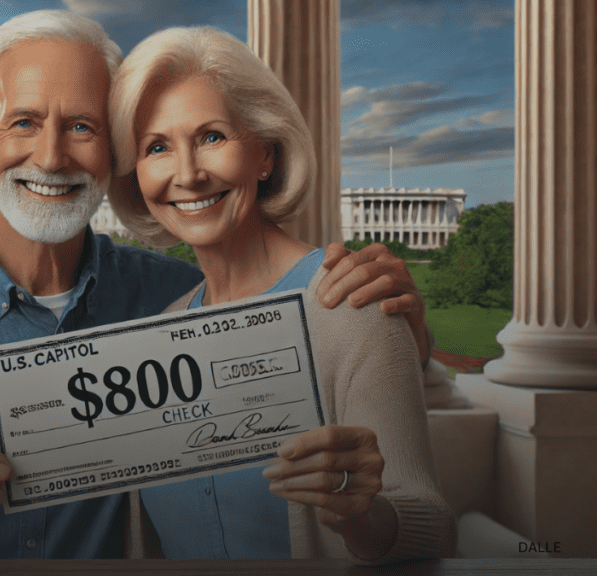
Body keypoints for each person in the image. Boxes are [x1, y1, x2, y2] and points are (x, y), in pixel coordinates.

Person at [0, 11, 435, 567]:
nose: (53, 158)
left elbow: (322, 338)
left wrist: (400, 323)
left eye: (82, 126)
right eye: (24, 121)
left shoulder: (172, 299)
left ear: (110, 153)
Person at [107, 26, 456, 563]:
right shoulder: (164, 328)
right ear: (137, 177)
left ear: (265, 153)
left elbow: (433, 526)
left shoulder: (351, 302)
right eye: (157, 147)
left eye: (211, 137)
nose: (188, 174)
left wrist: (360, 514)